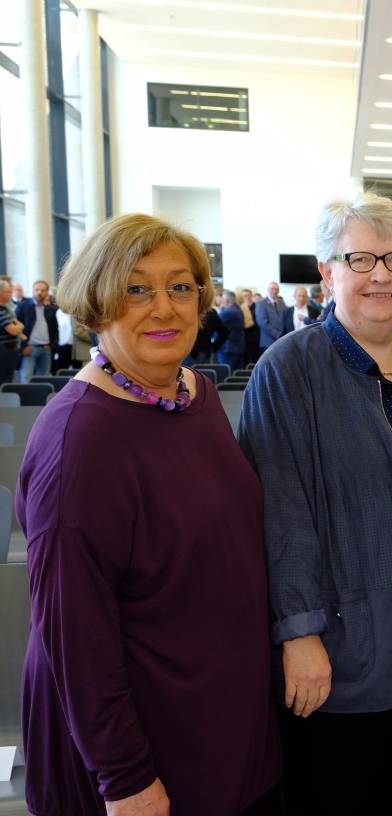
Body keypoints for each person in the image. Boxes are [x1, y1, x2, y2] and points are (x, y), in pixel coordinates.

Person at [17, 213, 280, 816]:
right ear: (98, 302)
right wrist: (125, 778)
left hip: (213, 721)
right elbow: (74, 638)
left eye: (180, 287)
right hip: (140, 753)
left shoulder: (194, 393)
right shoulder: (78, 443)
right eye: (137, 288)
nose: (164, 307)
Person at [240, 191, 392, 815]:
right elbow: (281, 515)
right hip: (340, 649)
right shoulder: (288, 371)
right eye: (360, 258)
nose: (381, 275)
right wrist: (298, 635)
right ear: (327, 271)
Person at [17, 279, 59, 382]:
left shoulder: (50, 309)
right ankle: (25, 399)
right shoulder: (24, 306)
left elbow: (55, 330)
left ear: (47, 292)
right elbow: (18, 328)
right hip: (29, 349)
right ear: (32, 291)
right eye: (37, 290)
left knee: (43, 379)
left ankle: (41, 399)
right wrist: (23, 347)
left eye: (42, 290)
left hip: (46, 349)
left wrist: (52, 346)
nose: (39, 292)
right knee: (26, 378)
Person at [187, 292, 228, 365]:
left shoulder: (186, 311)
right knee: (204, 374)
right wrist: (214, 347)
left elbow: (225, 332)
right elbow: (225, 332)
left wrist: (214, 347)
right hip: (204, 352)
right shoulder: (211, 311)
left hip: (189, 353)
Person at [0, 280, 25, 383]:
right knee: (4, 380)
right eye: (8, 292)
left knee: (8, 378)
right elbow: (14, 330)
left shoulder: (6, 308)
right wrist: (21, 326)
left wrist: (18, 327)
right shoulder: (1, 310)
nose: (11, 294)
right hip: (4, 351)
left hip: (9, 350)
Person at [255, 281, 288, 353]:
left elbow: (286, 318)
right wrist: (277, 334)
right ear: (268, 290)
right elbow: (262, 322)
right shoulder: (261, 303)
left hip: (282, 340)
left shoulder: (282, 302)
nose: (274, 291)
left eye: (276, 289)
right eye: (272, 289)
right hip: (267, 341)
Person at [240, 288, 262, 364]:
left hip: (256, 336)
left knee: (256, 359)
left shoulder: (257, 306)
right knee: (245, 360)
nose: (246, 297)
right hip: (245, 337)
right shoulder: (240, 308)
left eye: (247, 295)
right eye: (244, 296)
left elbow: (259, 320)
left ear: (251, 296)